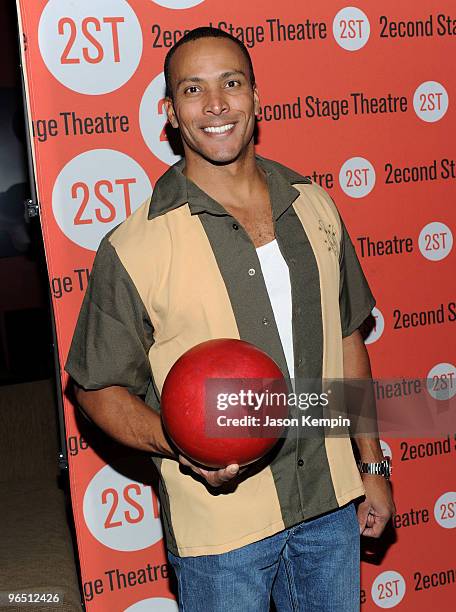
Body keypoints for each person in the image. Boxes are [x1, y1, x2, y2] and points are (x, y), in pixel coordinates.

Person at [66, 27, 395, 612]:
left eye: (231, 84)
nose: (215, 105)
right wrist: (176, 442)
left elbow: (347, 339)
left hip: (331, 503)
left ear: (257, 98)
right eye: (193, 89)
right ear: (169, 112)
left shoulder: (313, 204)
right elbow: (95, 387)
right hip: (221, 528)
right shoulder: (136, 245)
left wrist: (369, 462)